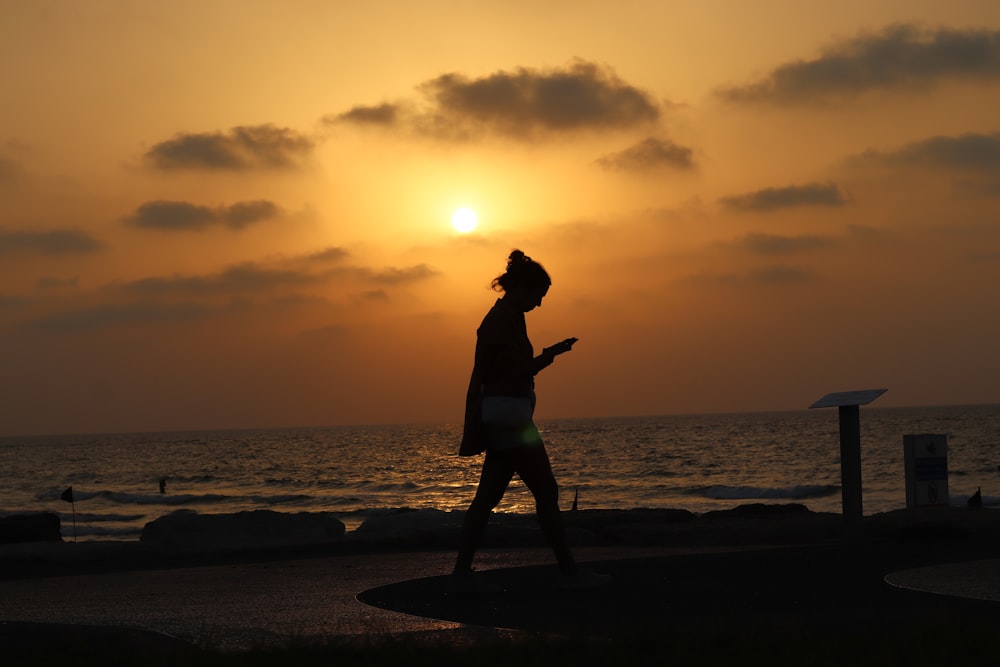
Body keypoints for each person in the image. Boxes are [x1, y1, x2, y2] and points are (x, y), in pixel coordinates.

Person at [453, 249, 605, 591]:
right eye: (537, 296)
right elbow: (507, 374)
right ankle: (570, 574)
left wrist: (545, 357)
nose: (538, 304)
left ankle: (461, 574)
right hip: (513, 425)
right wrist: (547, 358)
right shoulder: (499, 323)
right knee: (545, 491)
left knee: (488, 499)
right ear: (521, 287)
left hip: (506, 423)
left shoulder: (507, 317)